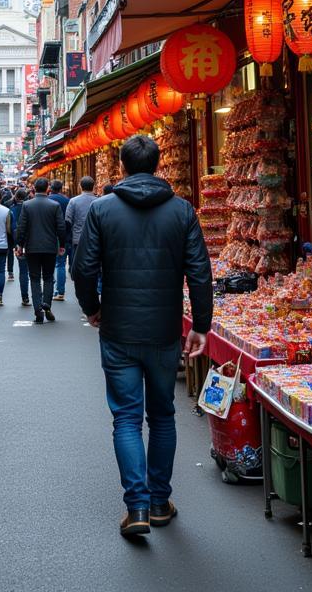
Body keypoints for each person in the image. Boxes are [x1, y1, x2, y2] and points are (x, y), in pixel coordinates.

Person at [72, 135, 213, 539]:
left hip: (118, 329)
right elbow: (200, 273)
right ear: (157, 165)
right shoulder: (182, 210)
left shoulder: (102, 209)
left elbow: (84, 268)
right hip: (165, 330)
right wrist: (200, 325)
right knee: (163, 415)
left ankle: (136, 508)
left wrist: (92, 308)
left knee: (127, 419)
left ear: (121, 166)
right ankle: (159, 500)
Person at [15, 178, 65, 324]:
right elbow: (61, 227)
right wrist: (62, 244)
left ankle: (38, 309)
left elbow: (22, 227)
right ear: (47, 189)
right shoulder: (54, 205)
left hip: (32, 247)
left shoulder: (27, 205)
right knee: (49, 277)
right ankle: (47, 304)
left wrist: (19, 245)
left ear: (34, 189)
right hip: (50, 247)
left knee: (35, 278)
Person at [60, 176, 97, 300]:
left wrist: (66, 239)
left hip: (77, 239)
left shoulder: (74, 201)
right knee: (94, 266)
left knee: (77, 266)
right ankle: (93, 290)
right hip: (95, 240)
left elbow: (68, 220)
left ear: (80, 186)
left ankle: (81, 290)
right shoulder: (99, 201)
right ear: (94, 186)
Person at [9, 189, 30, 306]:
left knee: (23, 271)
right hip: (31, 242)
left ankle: (25, 297)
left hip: (18, 243)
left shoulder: (12, 209)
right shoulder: (30, 208)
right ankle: (39, 297)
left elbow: (12, 228)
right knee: (35, 272)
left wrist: (16, 244)